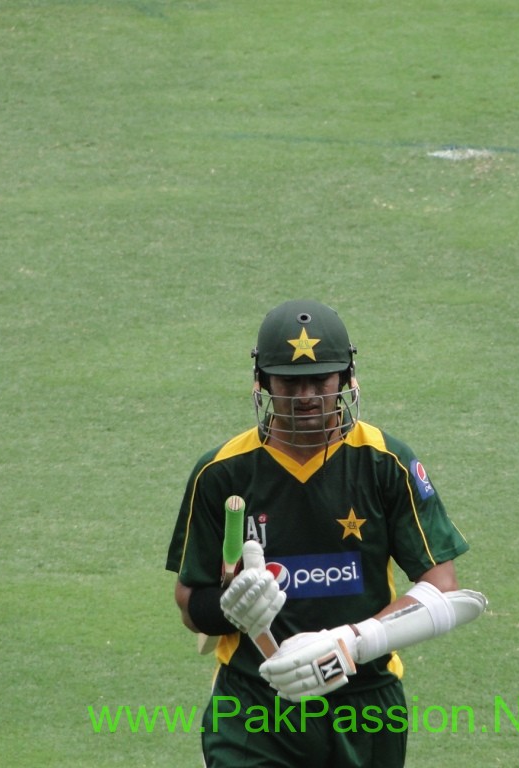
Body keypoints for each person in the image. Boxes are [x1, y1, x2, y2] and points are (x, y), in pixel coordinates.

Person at [165, 299, 486, 768]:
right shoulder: (222, 472)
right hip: (255, 704)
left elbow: (444, 589)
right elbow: (190, 606)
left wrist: (350, 643)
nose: (306, 396)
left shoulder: (385, 462)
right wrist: (231, 607)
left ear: (346, 378)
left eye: (320, 379)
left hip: (366, 702)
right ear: (263, 383)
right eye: (290, 382)